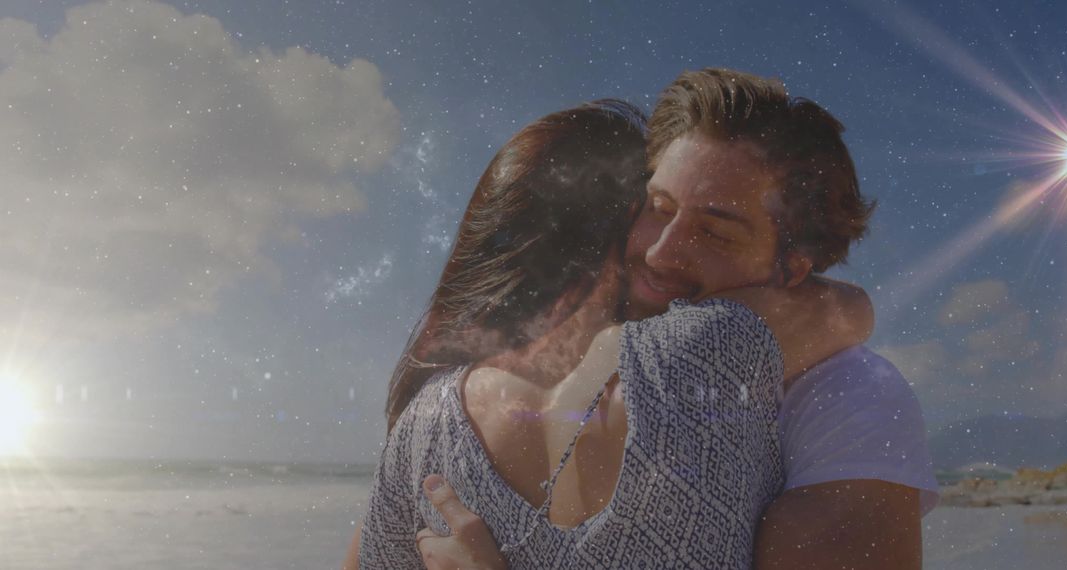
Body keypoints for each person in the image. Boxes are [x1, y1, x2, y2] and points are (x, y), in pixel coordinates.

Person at [398, 69, 939, 570]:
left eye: (716, 232)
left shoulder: (848, 397)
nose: (661, 252)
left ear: (793, 269)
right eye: (657, 206)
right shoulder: (493, 387)